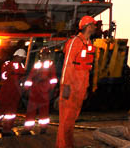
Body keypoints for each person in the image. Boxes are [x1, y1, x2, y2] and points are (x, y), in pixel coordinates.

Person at [57, 16, 98, 148]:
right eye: (93, 25)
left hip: (80, 88)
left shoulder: (89, 44)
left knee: (71, 119)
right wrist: (66, 85)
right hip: (70, 86)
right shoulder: (76, 42)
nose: (95, 27)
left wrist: (85, 89)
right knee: (65, 120)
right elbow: (67, 65)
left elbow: (86, 71)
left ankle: (67, 145)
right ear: (87, 26)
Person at [0, 48, 27, 140]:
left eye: (22, 57)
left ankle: (7, 130)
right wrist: (14, 78)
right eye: (20, 57)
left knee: (11, 112)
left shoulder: (22, 65)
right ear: (15, 56)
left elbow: (23, 78)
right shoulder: (7, 64)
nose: (21, 59)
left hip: (16, 92)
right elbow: (3, 76)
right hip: (6, 90)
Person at [23, 48, 57, 135]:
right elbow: (30, 76)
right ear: (41, 55)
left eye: (46, 54)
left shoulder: (50, 65)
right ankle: (27, 129)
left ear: (48, 55)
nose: (44, 56)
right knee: (31, 111)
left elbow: (53, 79)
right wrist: (26, 88)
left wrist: (50, 88)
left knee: (44, 111)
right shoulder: (37, 64)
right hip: (35, 91)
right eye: (43, 54)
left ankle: (43, 128)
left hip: (44, 91)